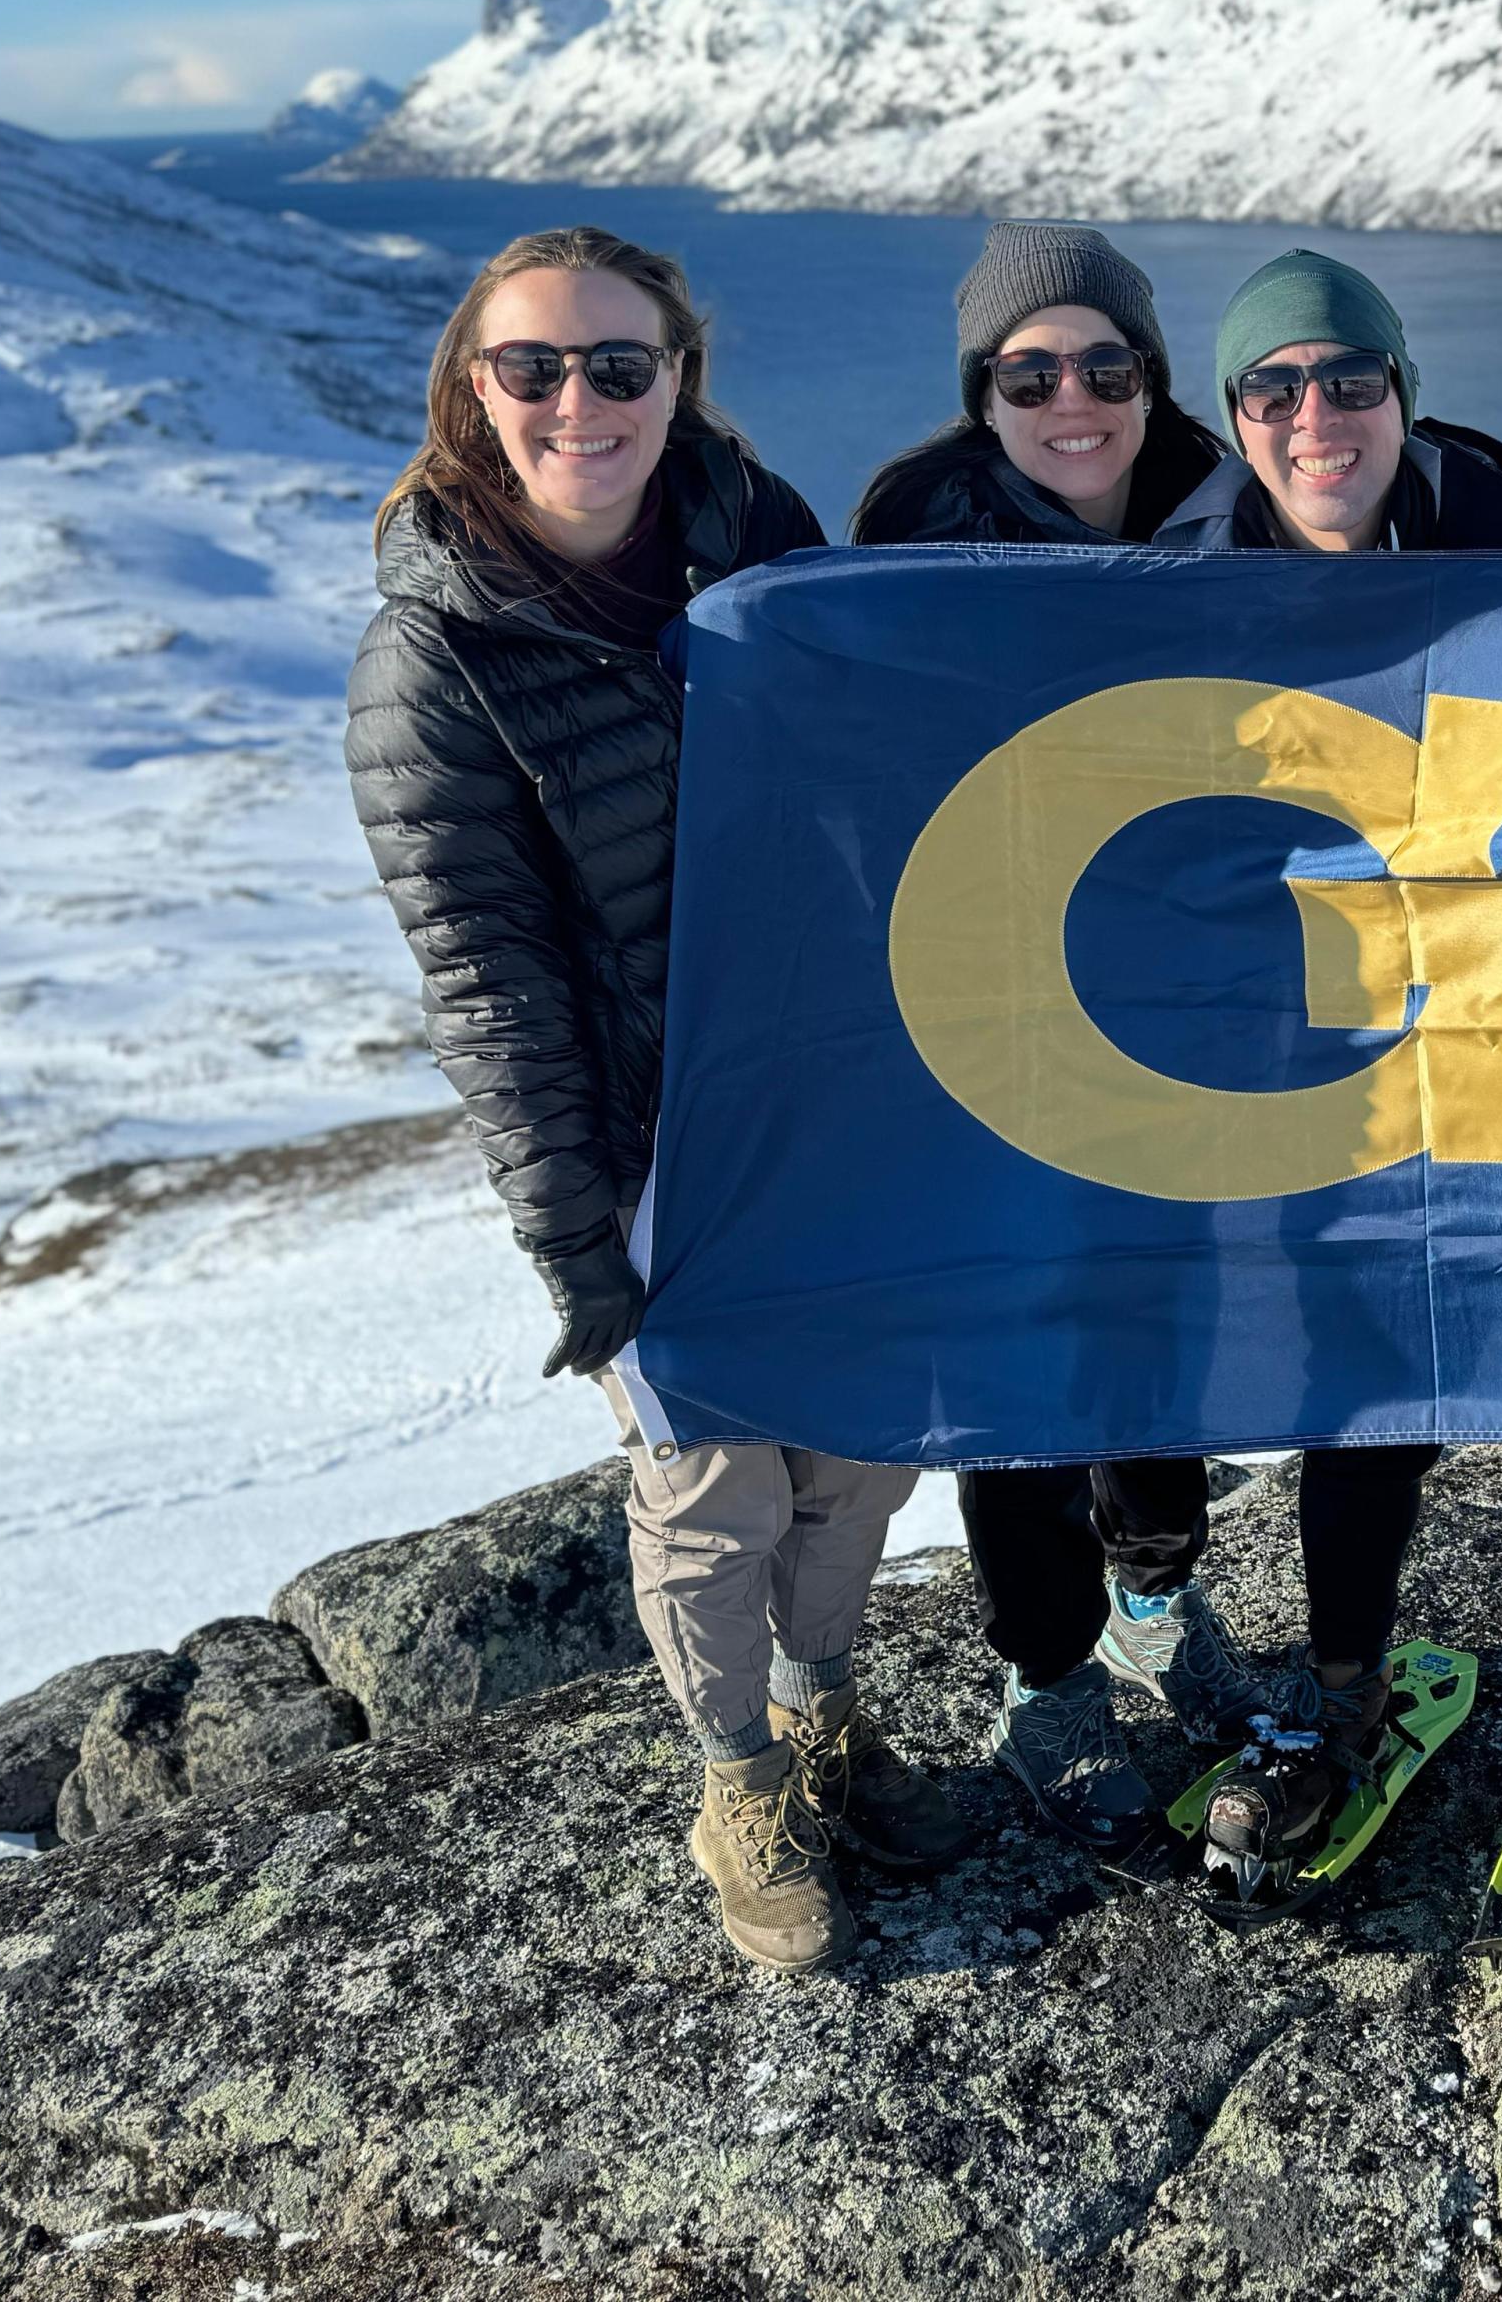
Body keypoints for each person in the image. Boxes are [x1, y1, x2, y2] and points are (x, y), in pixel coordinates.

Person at [346, 224, 971, 1977]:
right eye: (531, 369)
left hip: (838, 1109)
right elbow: (491, 986)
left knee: (853, 1459)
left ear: (681, 375)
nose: (577, 403)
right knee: (716, 1491)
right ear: (472, 392)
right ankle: (738, 1778)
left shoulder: (760, 545)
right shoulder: (436, 660)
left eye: (619, 365)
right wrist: (579, 1244)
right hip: (651, 1150)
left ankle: (829, 1709)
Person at [1150, 248, 1502, 1912]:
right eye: (1274, 391)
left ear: (1402, 391)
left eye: (1349, 382)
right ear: (1235, 418)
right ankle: (1342, 1688)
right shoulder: (1180, 579)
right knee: (1361, 1371)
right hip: (1335, 1038)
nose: (1316, 418)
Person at [848, 223, 1282, 1859]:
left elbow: (1448, 521)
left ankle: (1155, 1603)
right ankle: (1046, 1684)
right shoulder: (913, 527)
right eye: (1029, 375)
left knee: (1172, 1325)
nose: (1072, 400)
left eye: (1107, 365)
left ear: (1153, 378)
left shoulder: (1239, 503)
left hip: (1187, 992)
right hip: (992, 1001)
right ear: (983, 396)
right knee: (1023, 1358)